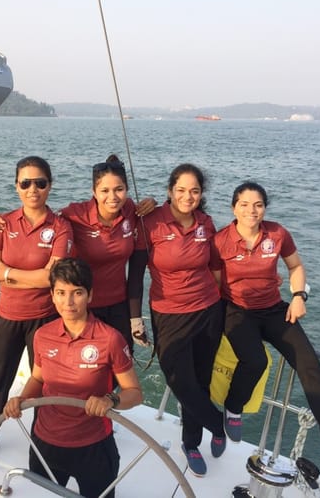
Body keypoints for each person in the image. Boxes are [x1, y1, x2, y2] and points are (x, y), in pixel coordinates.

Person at [212, 181, 320, 461]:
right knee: (255, 361)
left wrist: (299, 296)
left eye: (258, 205)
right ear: (234, 208)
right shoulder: (220, 241)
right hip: (237, 309)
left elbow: (295, 266)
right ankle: (233, 408)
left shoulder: (277, 233)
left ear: (265, 208)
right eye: (244, 205)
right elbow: (214, 285)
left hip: (274, 309)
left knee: (310, 365)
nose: (252, 211)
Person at [0, 155, 155, 352]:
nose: (113, 197)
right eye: (104, 191)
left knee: (120, 362)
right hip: (81, 307)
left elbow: (156, 216)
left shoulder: (132, 211)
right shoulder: (74, 214)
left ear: (126, 190)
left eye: (119, 189)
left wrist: (152, 202)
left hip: (119, 306)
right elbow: (42, 217)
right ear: (93, 191)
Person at [3, 258, 142, 498]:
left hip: (93, 447)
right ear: (52, 295)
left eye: (77, 293)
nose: (68, 302)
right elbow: (38, 379)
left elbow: (135, 393)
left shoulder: (111, 339)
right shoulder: (42, 335)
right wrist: (21, 399)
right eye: (61, 293)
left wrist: (110, 400)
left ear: (90, 295)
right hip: (45, 443)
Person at [0, 155, 74, 449]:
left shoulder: (61, 227)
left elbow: (52, 277)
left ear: (50, 185)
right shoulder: (2, 223)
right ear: (16, 186)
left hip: (46, 319)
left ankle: (46, 439)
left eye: (40, 183)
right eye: (25, 183)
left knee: (46, 384)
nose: (32, 189)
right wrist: (31, 276)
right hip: (8, 316)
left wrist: (9, 273)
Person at [127, 163, 226, 477]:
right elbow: (135, 275)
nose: (188, 196)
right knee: (177, 378)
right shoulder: (150, 222)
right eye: (181, 190)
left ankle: (191, 443)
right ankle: (218, 424)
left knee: (201, 380)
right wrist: (135, 319)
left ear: (201, 194)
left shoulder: (206, 223)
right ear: (170, 191)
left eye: (194, 191)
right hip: (168, 314)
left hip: (208, 311)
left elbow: (217, 268)